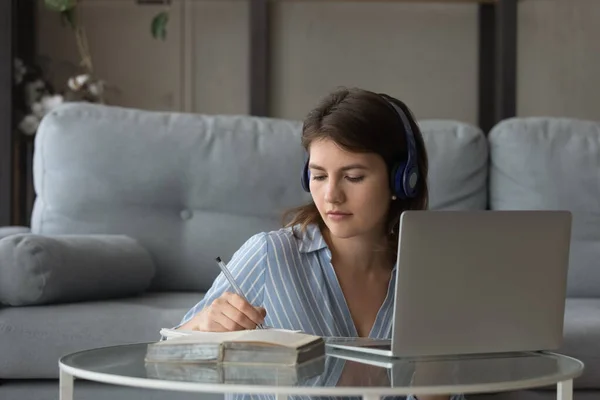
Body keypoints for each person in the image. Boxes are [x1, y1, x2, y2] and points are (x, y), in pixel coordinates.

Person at [177, 87, 465, 400]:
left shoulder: (426, 277)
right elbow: (169, 356)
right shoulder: (271, 254)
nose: (331, 196)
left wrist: (437, 371)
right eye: (319, 176)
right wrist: (201, 327)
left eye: (353, 177)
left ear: (401, 179)